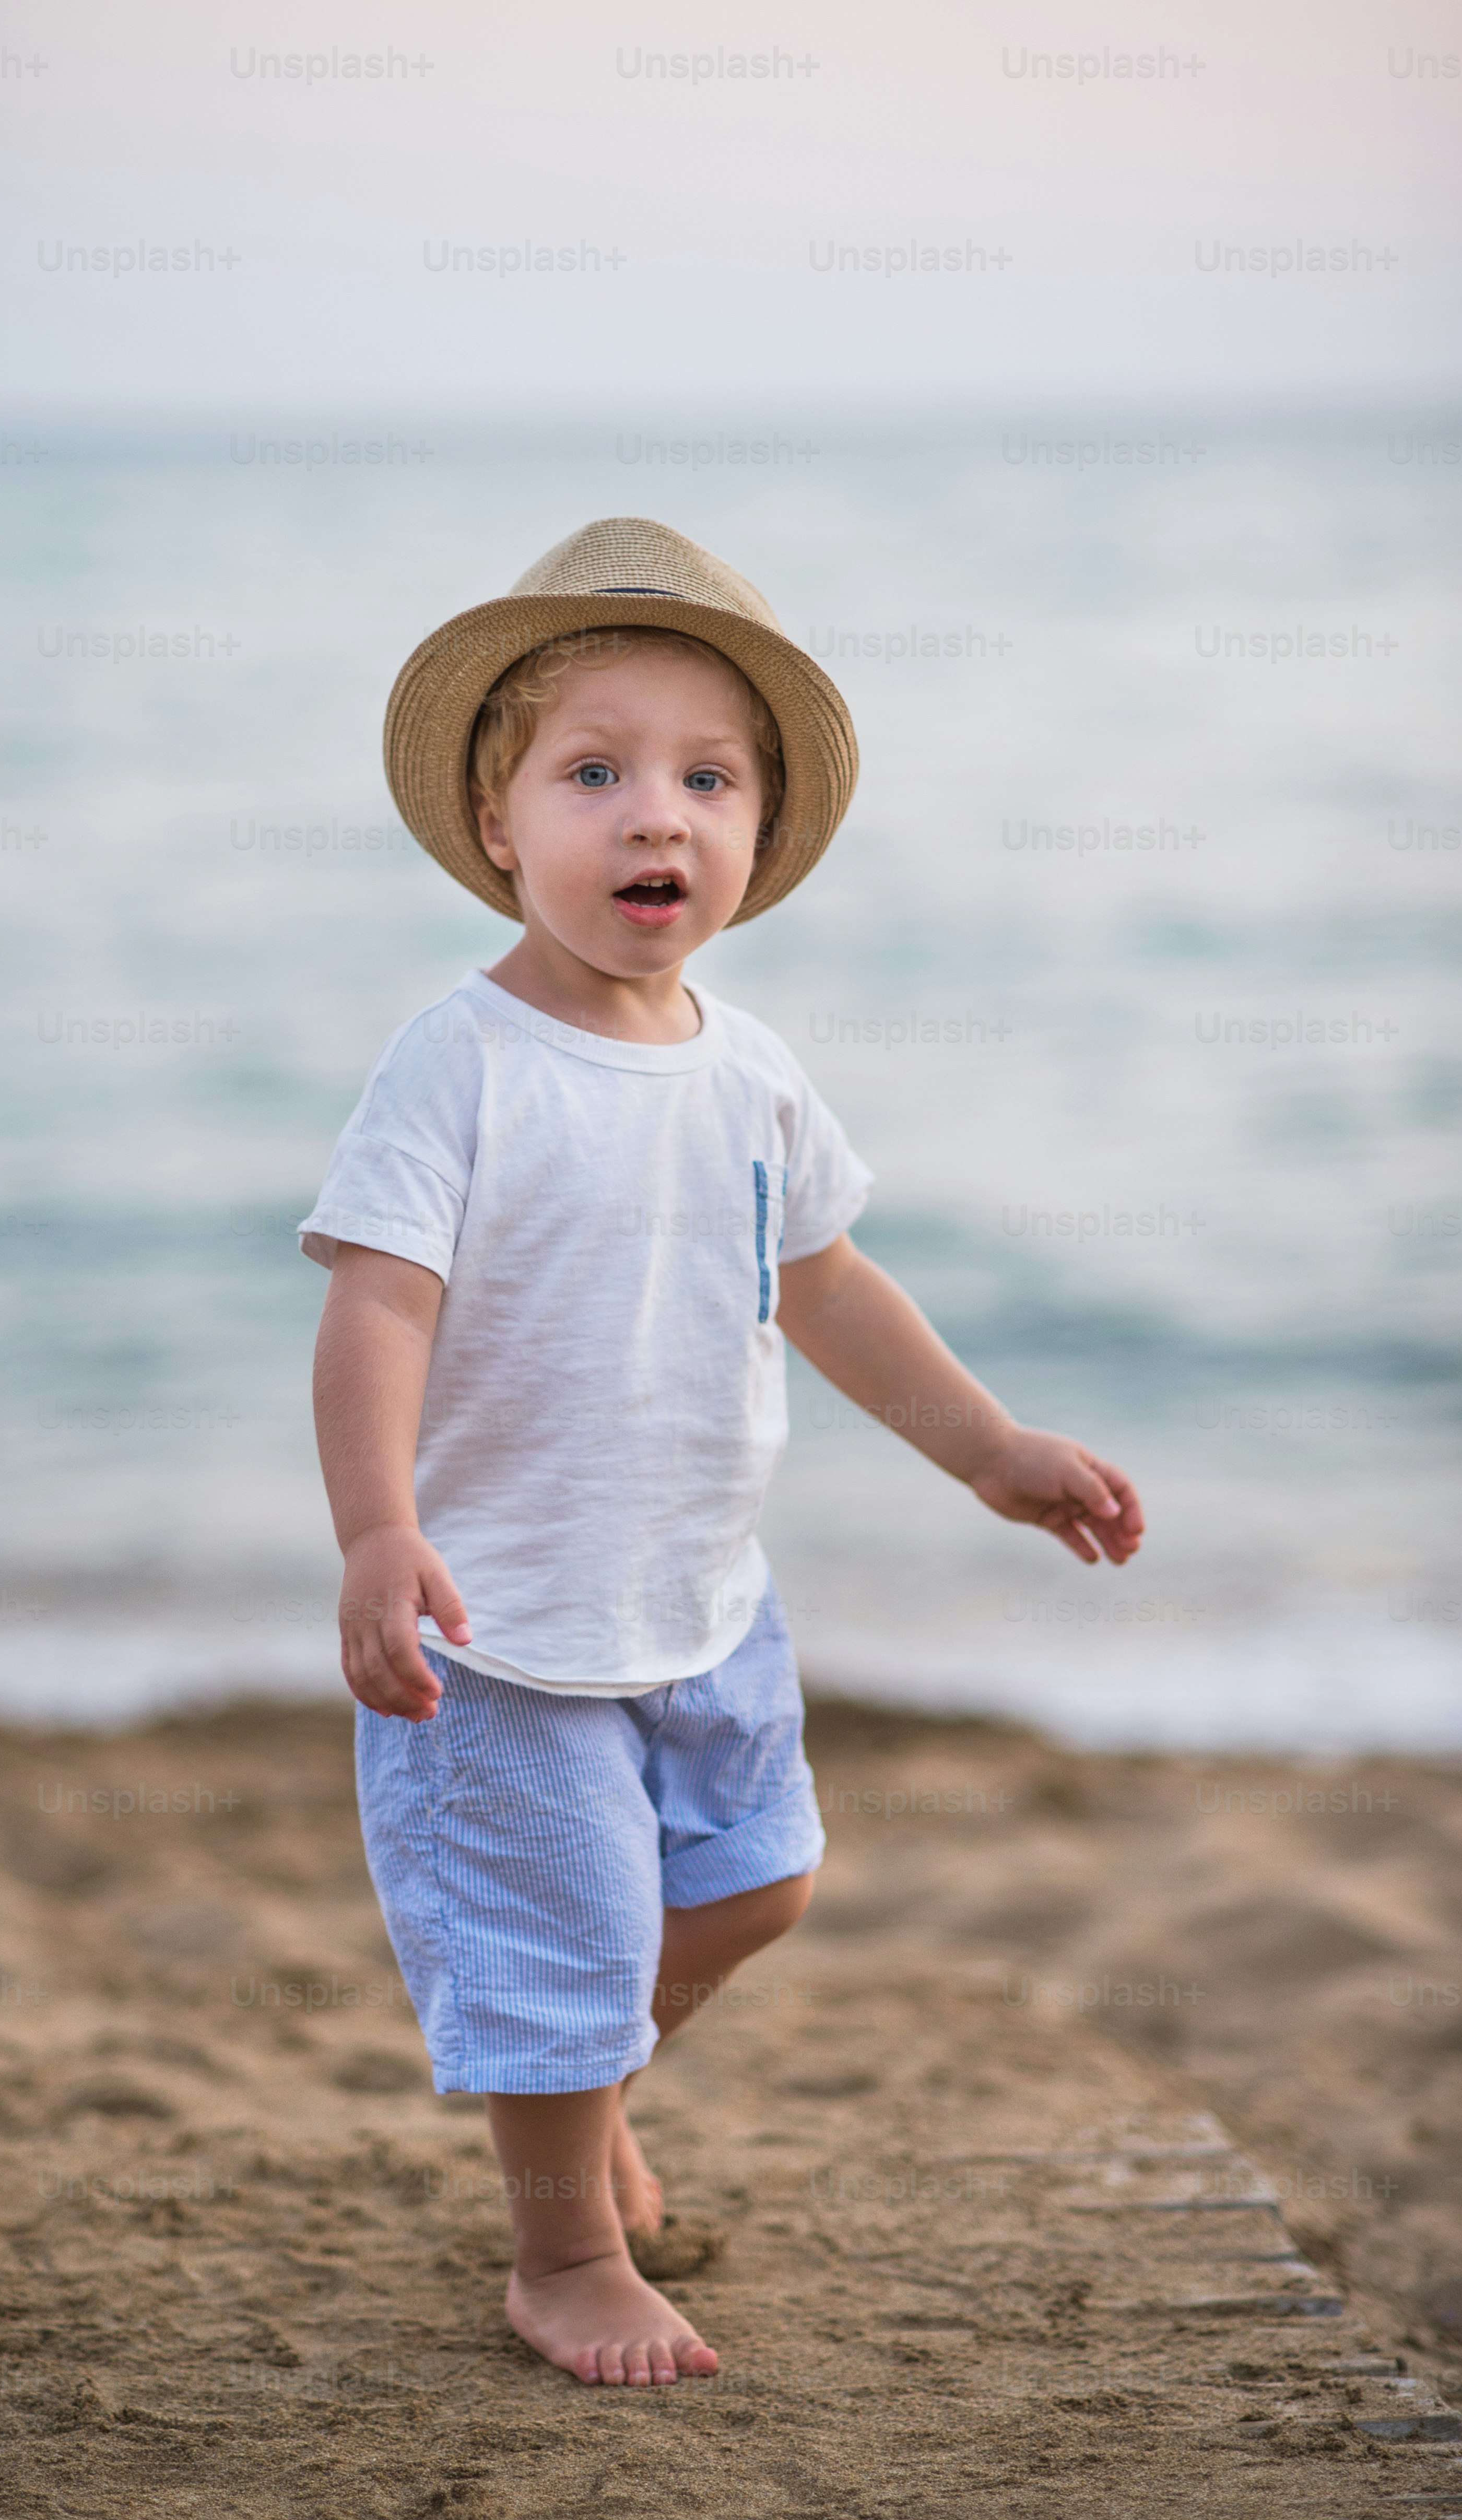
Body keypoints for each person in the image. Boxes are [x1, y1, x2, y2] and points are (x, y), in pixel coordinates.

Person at [303, 517, 1145, 2389]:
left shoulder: (748, 1065)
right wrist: (376, 1534)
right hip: (502, 1627)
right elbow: (375, 1309)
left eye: (706, 778)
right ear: (501, 825)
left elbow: (827, 1284)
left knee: (760, 1881)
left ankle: (589, 2078)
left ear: (761, 838)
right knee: (556, 1955)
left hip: (700, 1598)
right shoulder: (462, 1064)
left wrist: (990, 1449)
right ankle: (565, 2252)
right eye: (593, 773)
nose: (653, 817)